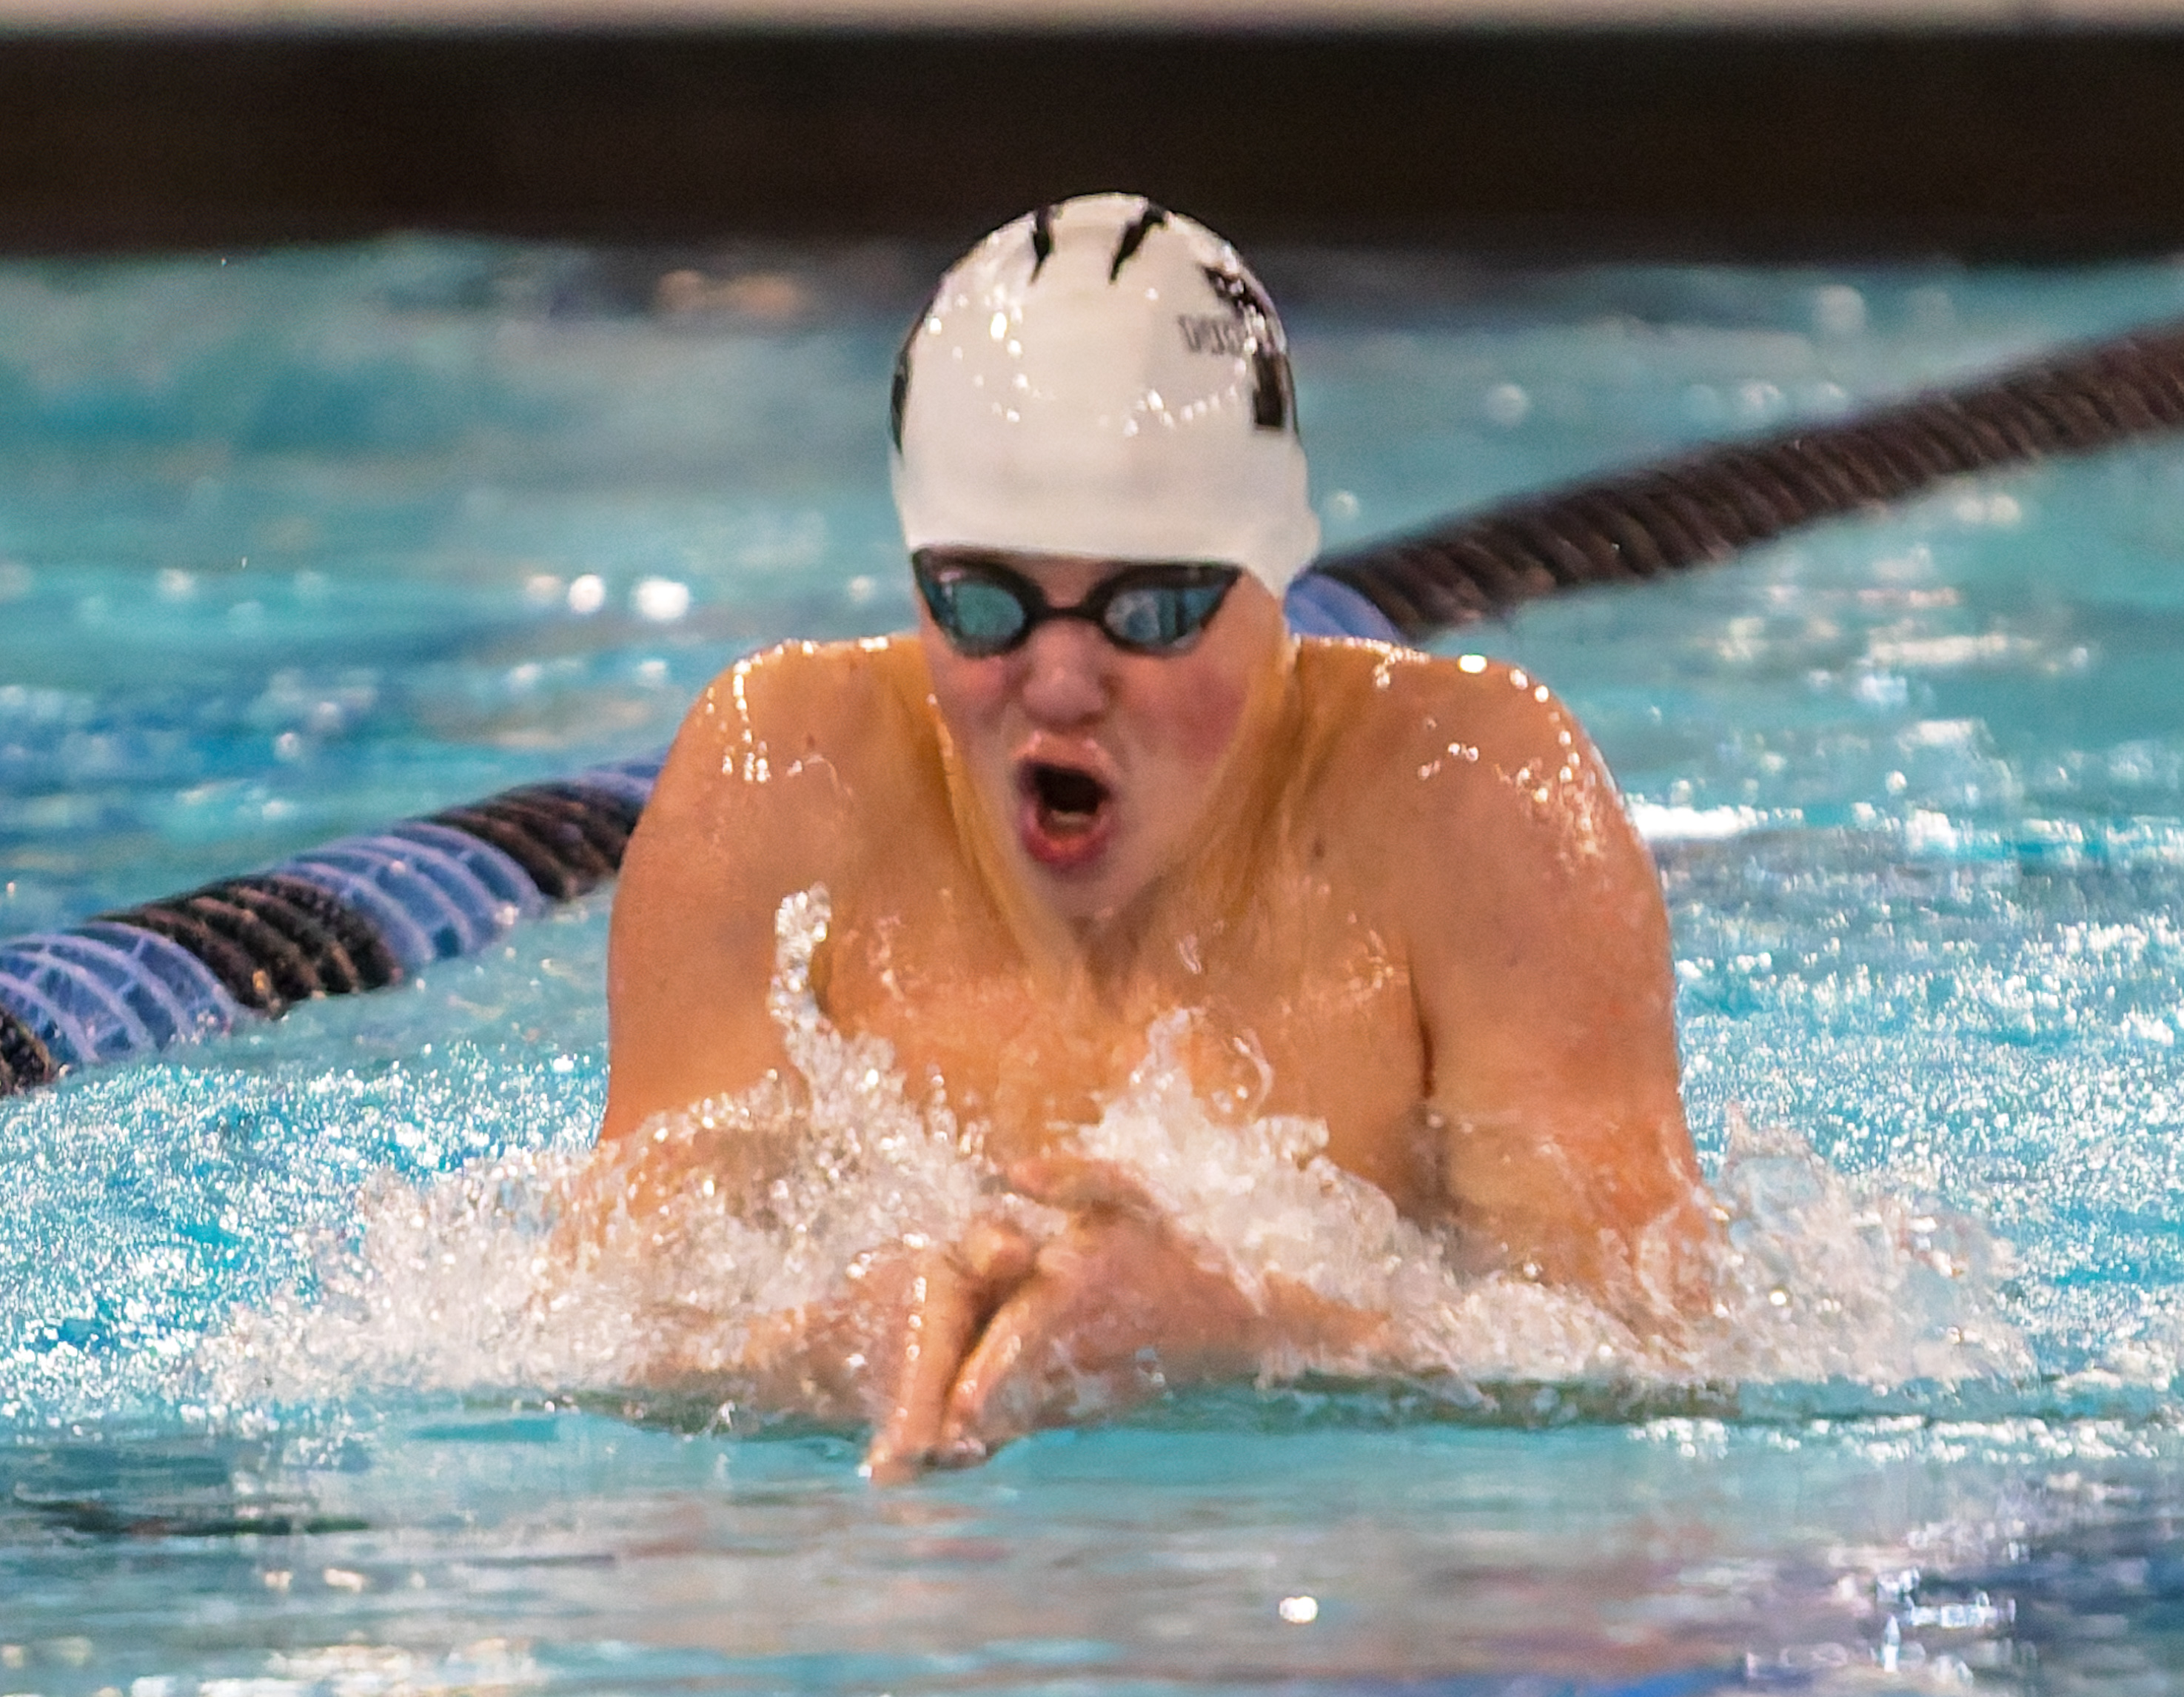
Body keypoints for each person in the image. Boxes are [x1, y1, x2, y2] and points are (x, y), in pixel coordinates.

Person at [592, 194, 1715, 1475]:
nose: (1061, 681)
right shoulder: (778, 780)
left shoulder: (1473, 807)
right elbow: (609, 1327)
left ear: (1271, 571)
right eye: (983, 600)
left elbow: (1653, 1377)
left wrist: (1250, 1330)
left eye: (1155, 608)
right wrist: (829, 1345)